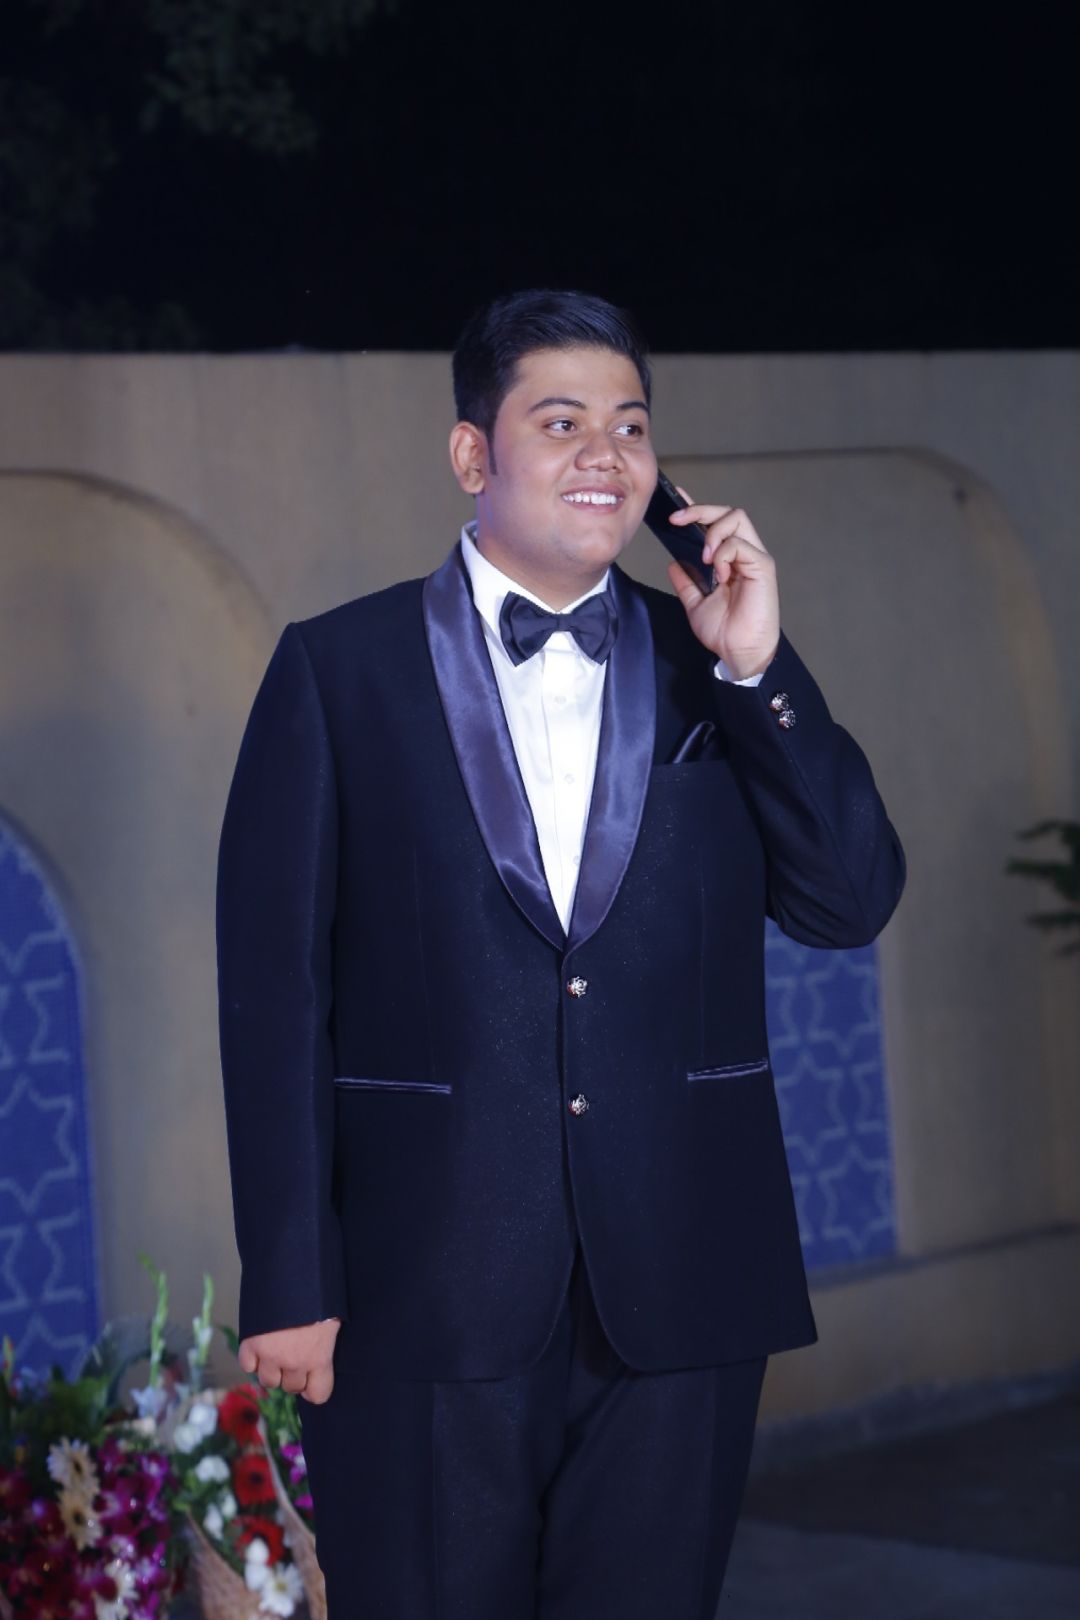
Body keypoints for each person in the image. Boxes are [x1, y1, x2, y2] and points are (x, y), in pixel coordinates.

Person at [217, 288, 905, 1618]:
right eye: (563, 421)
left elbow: (849, 901)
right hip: (423, 1288)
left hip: (685, 1284)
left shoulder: (712, 663)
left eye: (632, 426)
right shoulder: (336, 671)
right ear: (472, 453)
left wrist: (759, 669)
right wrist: (291, 1279)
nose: (608, 454)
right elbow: (273, 997)